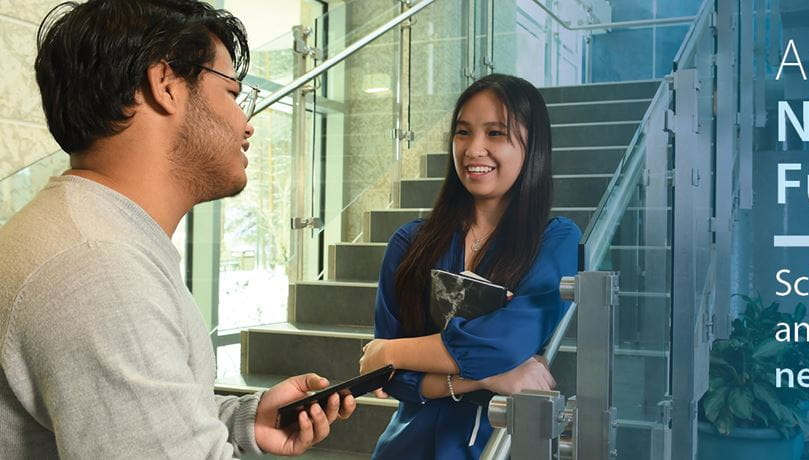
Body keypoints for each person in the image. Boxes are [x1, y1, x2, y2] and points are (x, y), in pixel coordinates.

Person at [0, 1, 356, 457]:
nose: (246, 125)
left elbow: (121, 417)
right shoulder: (97, 270)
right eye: (232, 94)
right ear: (166, 84)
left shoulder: (92, 238)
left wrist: (245, 420)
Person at [358, 74, 579, 459]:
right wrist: (490, 377)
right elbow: (389, 380)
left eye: (495, 133)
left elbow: (507, 342)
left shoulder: (555, 240)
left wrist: (391, 351)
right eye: (463, 132)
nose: (474, 149)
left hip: (496, 448)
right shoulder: (409, 243)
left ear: (533, 146)